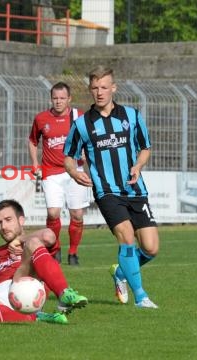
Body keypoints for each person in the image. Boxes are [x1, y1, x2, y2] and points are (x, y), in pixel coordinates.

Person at [63, 65, 159, 309]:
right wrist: (74, 172)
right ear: (90, 90)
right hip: (106, 191)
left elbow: (145, 148)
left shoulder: (132, 116)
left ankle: (121, 273)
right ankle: (141, 297)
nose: (99, 92)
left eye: (104, 87)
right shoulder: (82, 124)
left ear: (113, 88)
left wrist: (138, 165)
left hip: (135, 190)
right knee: (126, 237)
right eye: (95, 88)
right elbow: (68, 156)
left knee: (150, 248)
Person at [0, 199, 88, 324]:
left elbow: (49, 236)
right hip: (0, 295)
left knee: (32, 242)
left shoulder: (33, 241)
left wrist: (20, 240)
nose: (3, 227)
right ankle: (38, 317)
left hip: (25, 288)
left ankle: (64, 294)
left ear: (21, 220)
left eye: (8, 220)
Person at [28, 82, 89, 266]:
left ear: (69, 99)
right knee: (53, 213)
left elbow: (89, 139)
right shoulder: (41, 119)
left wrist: (86, 152)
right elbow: (32, 141)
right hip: (51, 172)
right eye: (55, 98)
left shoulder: (79, 117)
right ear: (51, 98)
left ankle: (73, 253)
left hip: (74, 171)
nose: (58, 102)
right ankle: (55, 249)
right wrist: (35, 163)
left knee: (77, 214)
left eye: (62, 98)